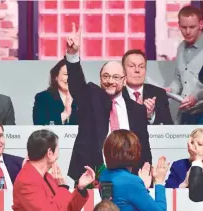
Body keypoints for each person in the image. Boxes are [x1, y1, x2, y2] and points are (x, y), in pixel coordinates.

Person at [65, 23, 152, 183]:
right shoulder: (90, 98)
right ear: (100, 79)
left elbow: (144, 148)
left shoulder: (137, 110)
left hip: (129, 179)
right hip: (92, 176)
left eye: (115, 77)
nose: (110, 81)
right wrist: (72, 54)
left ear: (124, 80)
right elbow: (77, 85)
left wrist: (146, 177)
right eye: (105, 76)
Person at [12, 129, 94, 211]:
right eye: (58, 149)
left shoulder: (48, 177)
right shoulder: (26, 181)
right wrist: (63, 188)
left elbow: (67, 208)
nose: (58, 153)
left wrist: (80, 188)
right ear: (50, 153)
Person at [165, 6, 203, 125]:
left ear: (201, 24)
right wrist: (169, 90)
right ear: (179, 25)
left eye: (192, 27)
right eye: (184, 27)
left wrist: (196, 96)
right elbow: (178, 80)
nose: (187, 31)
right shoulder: (181, 48)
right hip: (185, 113)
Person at [99, 129, 169, 211]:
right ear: (133, 152)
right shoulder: (132, 181)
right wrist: (159, 181)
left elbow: (123, 202)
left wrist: (142, 187)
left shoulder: (104, 175)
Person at [121, 49, 173, 125]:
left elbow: (169, 127)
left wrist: (150, 116)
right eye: (132, 66)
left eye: (141, 66)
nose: (137, 70)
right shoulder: (116, 94)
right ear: (123, 70)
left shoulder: (159, 94)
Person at [33, 59, 77, 125]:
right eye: (66, 74)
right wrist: (65, 114)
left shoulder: (85, 98)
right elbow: (40, 125)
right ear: (56, 77)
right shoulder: (42, 98)